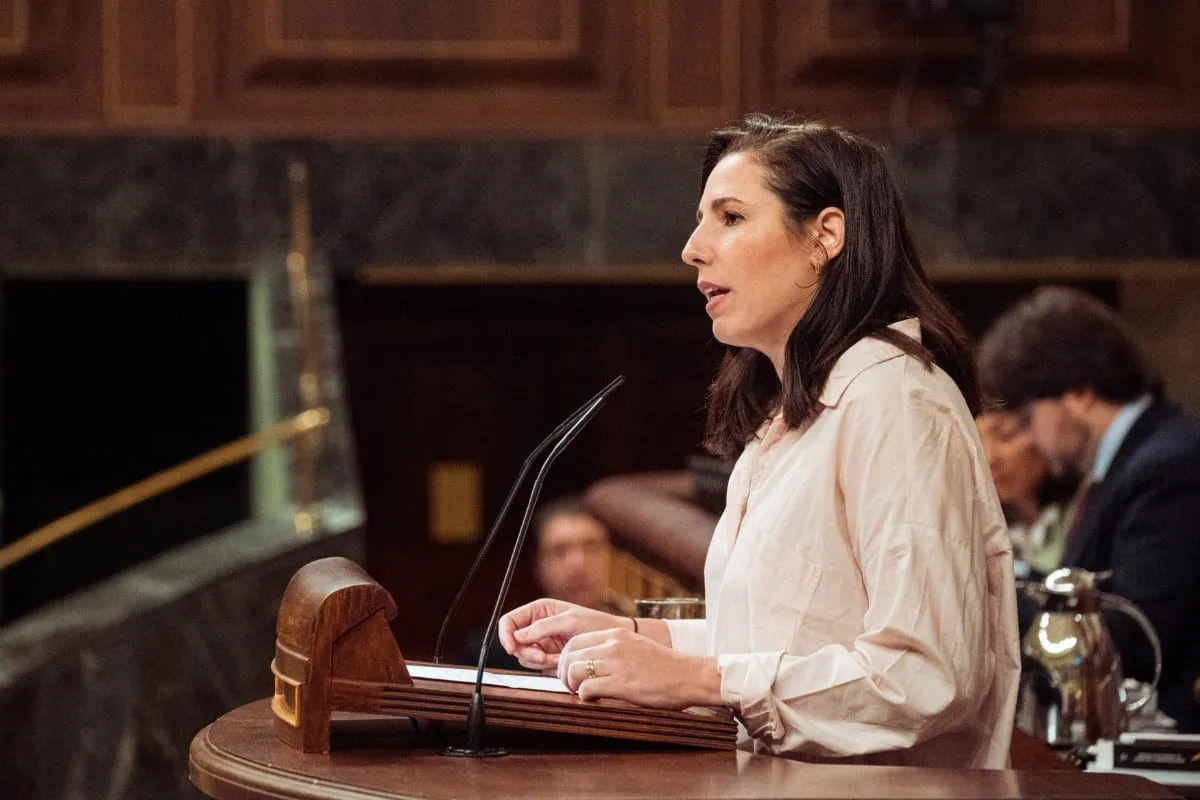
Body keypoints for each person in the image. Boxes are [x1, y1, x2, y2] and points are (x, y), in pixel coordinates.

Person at [498, 115, 1020, 768]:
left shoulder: (897, 399)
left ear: (825, 235)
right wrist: (637, 638)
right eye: (701, 219)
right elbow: (788, 640)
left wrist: (694, 680)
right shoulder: (786, 419)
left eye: (731, 217)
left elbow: (925, 678)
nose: (692, 247)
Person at [977, 286, 1200, 733]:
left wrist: (993, 591)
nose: (1033, 439)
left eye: (1028, 418)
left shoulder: (1167, 464)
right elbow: (1091, 593)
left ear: (1078, 392)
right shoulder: (1131, 462)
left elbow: (1138, 637)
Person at [459, 495, 616, 669]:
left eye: (591, 546)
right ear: (538, 564)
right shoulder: (496, 649)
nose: (578, 564)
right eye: (559, 551)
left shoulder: (631, 634)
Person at [975, 410, 1078, 578]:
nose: (990, 458)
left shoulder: (1086, 511)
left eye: (1006, 435)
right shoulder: (985, 541)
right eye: (977, 445)